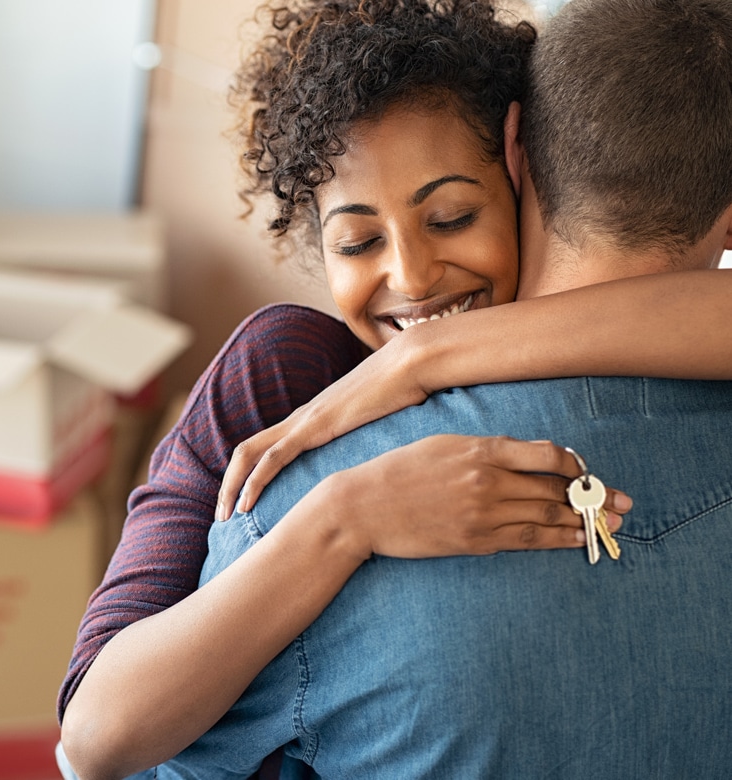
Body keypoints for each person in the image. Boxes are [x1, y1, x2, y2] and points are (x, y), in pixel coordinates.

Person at [58, 1, 732, 778]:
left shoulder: (414, 371)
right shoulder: (280, 381)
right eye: (357, 242)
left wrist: (425, 355)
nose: (412, 277)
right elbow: (92, 741)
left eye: (452, 217)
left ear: (518, 167)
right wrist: (346, 517)